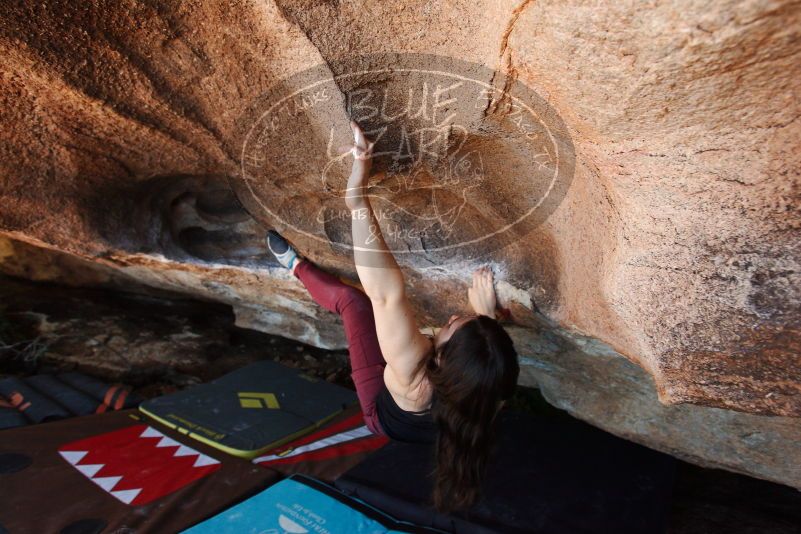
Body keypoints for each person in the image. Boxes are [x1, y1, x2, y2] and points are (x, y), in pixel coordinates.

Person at [266, 120, 519, 514]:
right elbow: (483, 364)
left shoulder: (409, 374)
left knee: (354, 303)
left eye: (453, 325)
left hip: (383, 417)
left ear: (437, 361)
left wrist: (358, 200)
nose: (453, 316)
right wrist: (485, 319)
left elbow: (384, 293)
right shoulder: (491, 388)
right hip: (433, 417)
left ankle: (295, 266)